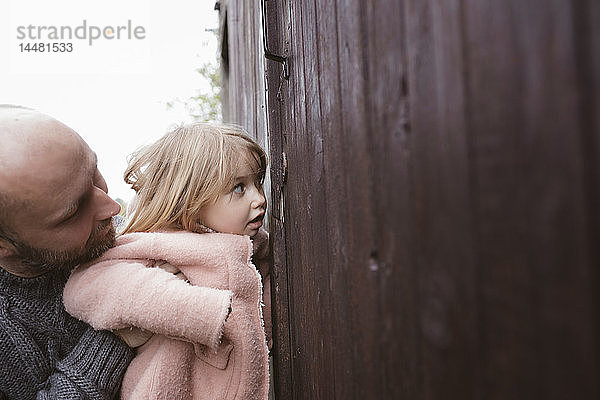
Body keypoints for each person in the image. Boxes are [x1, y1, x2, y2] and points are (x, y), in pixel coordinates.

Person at [63, 122, 272, 400]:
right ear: (191, 199)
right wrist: (195, 309)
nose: (260, 198)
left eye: (258, 183)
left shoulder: (254, 250)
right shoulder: (157, 244)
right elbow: (85, 287)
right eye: (238, 188)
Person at [0, 105, 135, 399]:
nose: (113, 207)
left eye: (94, 174)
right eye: (72, 213)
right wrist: (116, 334)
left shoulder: (136, 233)